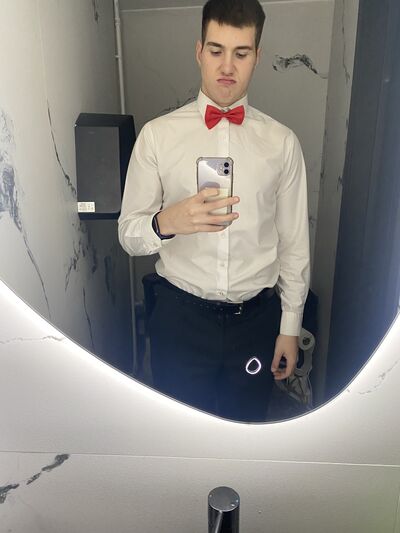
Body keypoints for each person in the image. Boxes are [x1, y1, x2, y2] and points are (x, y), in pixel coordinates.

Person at [118, 0, 310, 422]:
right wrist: (167, 222)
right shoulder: (157, 137)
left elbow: (294, 242)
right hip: (179, 319)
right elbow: (129, 234)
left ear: (257, 56)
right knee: (180, 434)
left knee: (247, 430)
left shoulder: (281, 144)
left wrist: (290, 327)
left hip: (255, 321)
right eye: (216, 50)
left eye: (241, 53)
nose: (227, 66)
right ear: (199, 51)